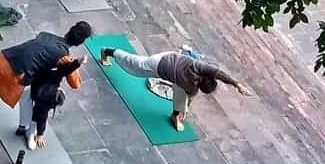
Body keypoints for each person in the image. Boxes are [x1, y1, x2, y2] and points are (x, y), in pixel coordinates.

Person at [0, 22, 93, 130]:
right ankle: (24, 126)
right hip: (16, 76)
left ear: (70, 30)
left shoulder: (45, 35)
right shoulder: (65, 56)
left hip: (3, 60)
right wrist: (78, 62)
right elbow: (75, 83)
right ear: (80, 42)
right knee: (27, 98)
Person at [99, 47, 249, 131]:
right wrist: (237, 84)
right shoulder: (194, 81)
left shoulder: (200, 68)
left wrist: (237, 85)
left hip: (171, 59)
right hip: (159, 65)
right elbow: (190, 96)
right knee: (134, 66)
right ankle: (107, 51)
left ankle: (174, 116)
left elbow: (218, 75)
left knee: (180, 96)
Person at [25, 55, 85, 150]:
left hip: (39, 80)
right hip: (34, 86)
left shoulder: (56, 74)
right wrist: (40, 134)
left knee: (39, 112)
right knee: (39, 113)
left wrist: (78, 62)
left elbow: (66, 70)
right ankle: (31, 131)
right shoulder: (43, 102)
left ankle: (32, 130)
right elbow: (42, 117)